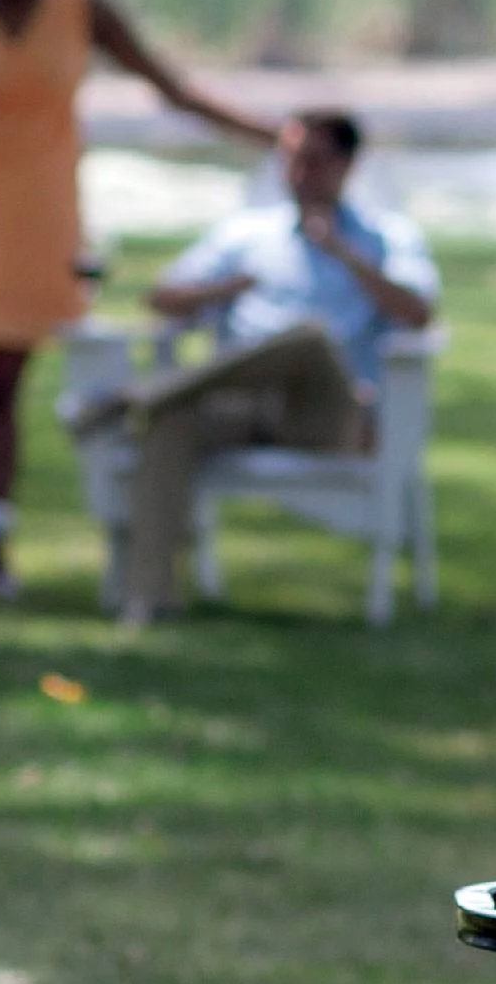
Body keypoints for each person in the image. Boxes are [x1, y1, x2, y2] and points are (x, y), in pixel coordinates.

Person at [0, 0, 274, 603]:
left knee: (14, 378)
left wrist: (267, 134)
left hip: (40, 213)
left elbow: (169, 86)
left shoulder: (80, 8)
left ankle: (92, 543)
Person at [76, 108, 437, 624]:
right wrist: (227, 287)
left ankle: (132, 397)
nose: (297, 173)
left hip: (333, 411)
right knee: (171, 422)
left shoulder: (386, 237)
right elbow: (161, 297)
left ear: (348, 164)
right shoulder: (248, 235)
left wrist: (342, 253)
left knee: (309, 339)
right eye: (289, 159)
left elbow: (419, 313)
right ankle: (150, 596)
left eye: (312, 160)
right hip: (241, 404)